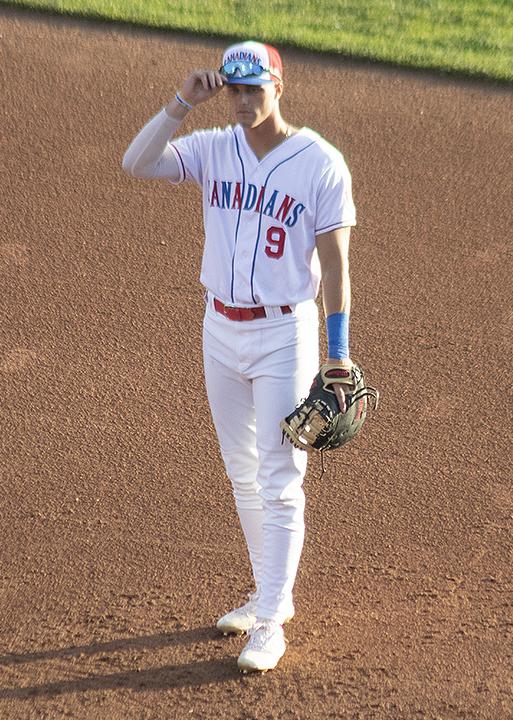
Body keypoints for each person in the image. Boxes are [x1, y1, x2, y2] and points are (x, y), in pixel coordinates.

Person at [122, 40, 357, 673]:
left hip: (284, 333)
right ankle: (265, 596)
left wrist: (336, 354)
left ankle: (274, 619)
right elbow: (136, 162)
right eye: (235, 90)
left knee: (281, 476)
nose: (245, 100)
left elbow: (334, 264)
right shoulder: (210, 148)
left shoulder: (321, 164)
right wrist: (180, 104)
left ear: (279, 87)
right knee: (241, 469)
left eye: (256, 88)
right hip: (219, 328)